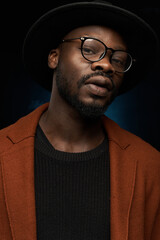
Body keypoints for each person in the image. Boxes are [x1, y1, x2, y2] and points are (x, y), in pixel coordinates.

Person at [0, 1, 160, 240]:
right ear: (54, 57)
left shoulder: (150, 164)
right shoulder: (2, 151)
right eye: (90, 49)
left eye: (118, 60)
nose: (105, 65)